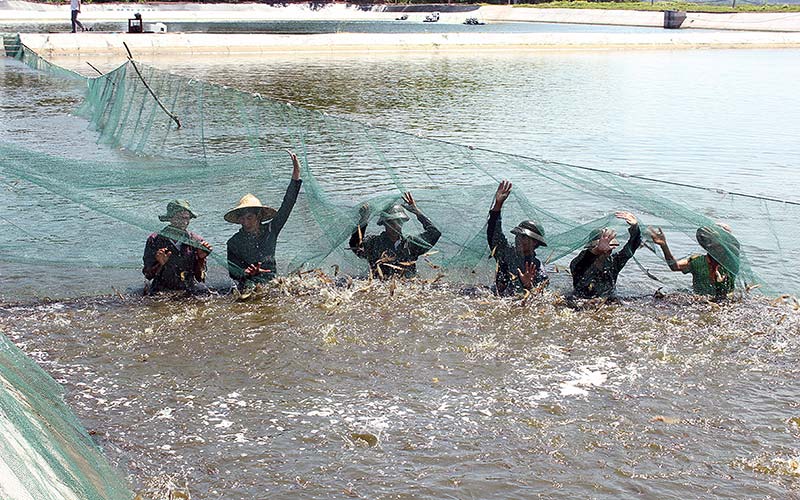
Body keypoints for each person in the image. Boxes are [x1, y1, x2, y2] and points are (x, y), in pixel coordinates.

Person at [226, 150, 302, 293]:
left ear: (259, 216)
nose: (245, 222)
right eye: (242, 218)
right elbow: (233, 272)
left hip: (272, 283)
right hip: (247, 286)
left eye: (249, 217)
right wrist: (247, 273)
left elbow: (288, 204)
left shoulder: (271, 230)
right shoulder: (233, 242)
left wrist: (296, 175)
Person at [349, 192, 441, 279]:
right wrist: (364, 220)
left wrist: (417, 212)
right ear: (384, 224)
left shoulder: (411, 244)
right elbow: (355, 245)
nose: (395, 226)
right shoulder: (373, 243)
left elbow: (434, 233)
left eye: (398, 222)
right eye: (391, 223)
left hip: (407, 286)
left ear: (402, 223)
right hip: (380, 284)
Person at [487, 180, 548, 296]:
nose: (518, 240)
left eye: (524, 237)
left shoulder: (538, 268)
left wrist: (528, 286)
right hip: (496, 297)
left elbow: (542, 300)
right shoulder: (506, 252)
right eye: (518, 236)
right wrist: (498, 205)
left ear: (535, 243)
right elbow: (494, 234)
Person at [648, 224, 740, 298]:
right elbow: (675, 266)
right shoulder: (697, 261)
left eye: (720, 242)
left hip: (724, 303)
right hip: (699, 300)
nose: (715, 245)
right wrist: (664, 245)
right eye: (712, 240)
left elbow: (734, 252)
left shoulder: (732, 264)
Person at [142, 199, 212, 295]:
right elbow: (148, 275)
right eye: (179, 218)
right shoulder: (155, 240)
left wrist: (201, 258)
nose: (184, 222)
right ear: (170, 218)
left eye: (187, 218)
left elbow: (200, 278)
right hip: (161, 290)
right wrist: (160, 263)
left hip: (189, 290)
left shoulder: (196, 241)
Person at [570, 212, 641, 299]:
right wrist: (598, 250)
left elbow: (631, 246)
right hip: (580, 303)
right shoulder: (579, 264)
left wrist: (635, 228)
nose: (607, 251)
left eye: (610, 247)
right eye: (603, 245)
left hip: (607, 301)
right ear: (591, 247)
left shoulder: (613, 262)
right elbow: (586, 258)